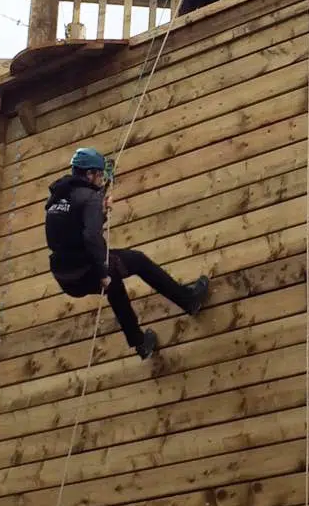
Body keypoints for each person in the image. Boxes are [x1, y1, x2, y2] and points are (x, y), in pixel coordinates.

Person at [45, 147, 209, 360]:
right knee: (138, 262)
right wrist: (102, 271)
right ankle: (188, 300)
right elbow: (92, 237)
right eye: (99, 175)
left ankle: (141, 343)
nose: (101, 179)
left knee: (115, 286)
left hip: (66, 277)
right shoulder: (90, 197)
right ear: (89, 174)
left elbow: (70, 232)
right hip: (87, 268)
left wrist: (100, 215)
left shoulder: (58, 199)